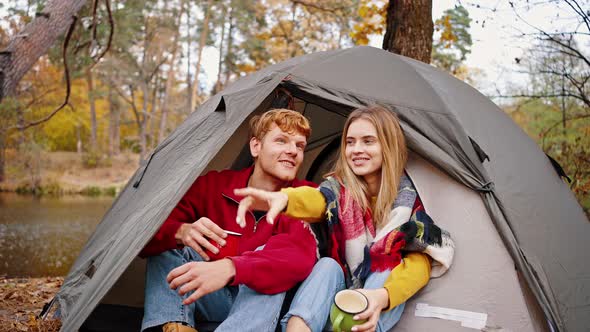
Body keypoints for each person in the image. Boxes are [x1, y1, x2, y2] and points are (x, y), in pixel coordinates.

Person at [235, 105, 454, 332]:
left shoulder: (408, 202)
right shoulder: (338, 190)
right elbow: (319, 200)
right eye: (350, 142)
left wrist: (383, 296)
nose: (356, 149)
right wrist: (285, 199)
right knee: (328, 266)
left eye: (368, 141)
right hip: (331, 301)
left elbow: (420, 263)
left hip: (368, 310)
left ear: (388, 145)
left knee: (385, 268)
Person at [139, 108, 320, 332]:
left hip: (265, 308)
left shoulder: (307, 196)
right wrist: (180, 231)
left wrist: (231, 268)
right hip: (211, 295)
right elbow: (142, 239)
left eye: (299, 145)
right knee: (171, 243)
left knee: (271, 260)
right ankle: (175, 326)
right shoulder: (214, 185)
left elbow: (298, 257)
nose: (292, 151)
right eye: (281, 141)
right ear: (256, 146)